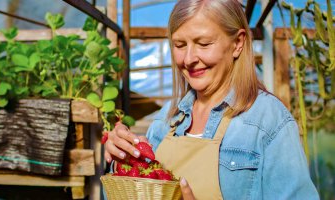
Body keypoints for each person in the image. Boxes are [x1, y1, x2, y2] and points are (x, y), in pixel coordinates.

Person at [104, 0, 319, 199]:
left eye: (204, 44)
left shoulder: (268, 120)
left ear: (237, 43)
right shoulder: (165, 119)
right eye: (179, 45)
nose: (189, 59)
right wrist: (123, 162)